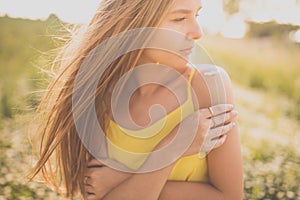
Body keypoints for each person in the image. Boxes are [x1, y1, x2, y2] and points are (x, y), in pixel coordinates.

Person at [30, 0, 244, 199]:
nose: (198, 33)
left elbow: (231, 197)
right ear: (134, 24)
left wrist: (122, 178)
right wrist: (171, 148)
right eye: (180, 18)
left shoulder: (208, 84)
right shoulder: (99, 97)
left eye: (197, 15)